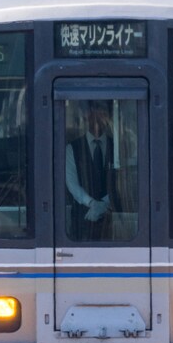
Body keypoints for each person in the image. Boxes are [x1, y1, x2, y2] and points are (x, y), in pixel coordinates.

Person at [65, 100, 119, 240]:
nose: (97, 118)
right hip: (82, 220)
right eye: (92, 113)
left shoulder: (117, 147)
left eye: (102, 113)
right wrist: (92, 203)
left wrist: (105, 204)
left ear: (108, 117)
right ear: (85, 116)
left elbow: (121, 180)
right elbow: (72, 184)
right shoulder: (72, 148)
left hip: (111, 220)